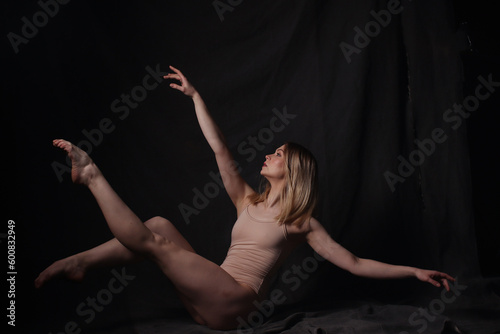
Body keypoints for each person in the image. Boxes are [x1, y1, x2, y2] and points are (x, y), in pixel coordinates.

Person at [35, 66, 454, 330]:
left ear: (293, 172)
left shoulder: (300, 221)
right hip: (208, 301)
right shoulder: (248, 201)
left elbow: (355, 263)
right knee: (160, 225)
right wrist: (196, 97)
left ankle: (90, 175)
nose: (270, 154)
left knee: (156, 243)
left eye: (279, 154)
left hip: (233, 303)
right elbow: (221, 151)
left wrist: (413, 271)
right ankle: (80, 262)